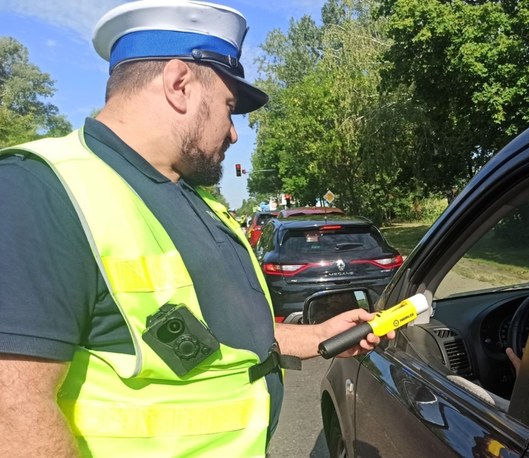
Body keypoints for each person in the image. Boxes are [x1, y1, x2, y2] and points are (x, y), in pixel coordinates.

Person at [0, 2, 392, 457]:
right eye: (228, 107)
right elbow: (13, 410)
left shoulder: (195, 199)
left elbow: (204, 340)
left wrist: (312, 336)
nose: (233, 133)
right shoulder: (39, 190)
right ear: (180, 84)